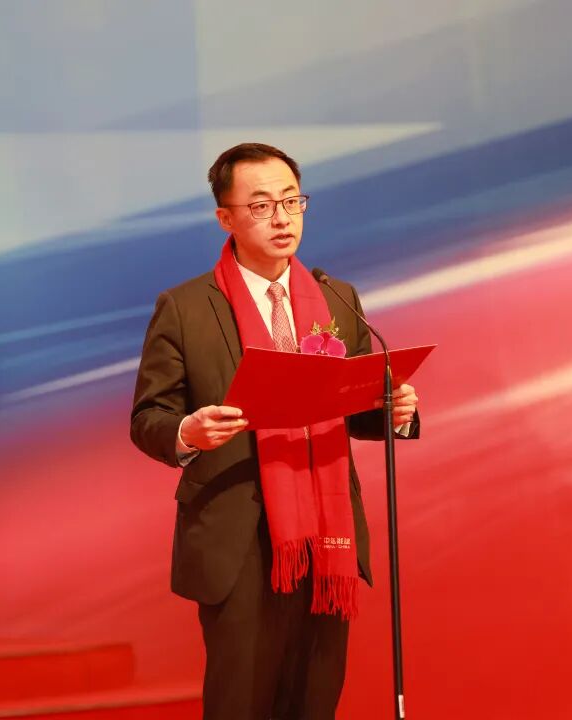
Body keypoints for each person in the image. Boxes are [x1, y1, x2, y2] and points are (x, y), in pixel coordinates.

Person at [130, 142, 420, 719]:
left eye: (292, 201)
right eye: (261, 206)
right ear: (226, 218)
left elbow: (354, 406)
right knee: (242, 702)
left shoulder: (336, 298)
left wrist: (393, 412)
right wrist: (188, 431)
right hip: (238, 537)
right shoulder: (186, 308)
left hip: (327, 535)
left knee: (314, 700)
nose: (282, 218)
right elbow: (148, 419)